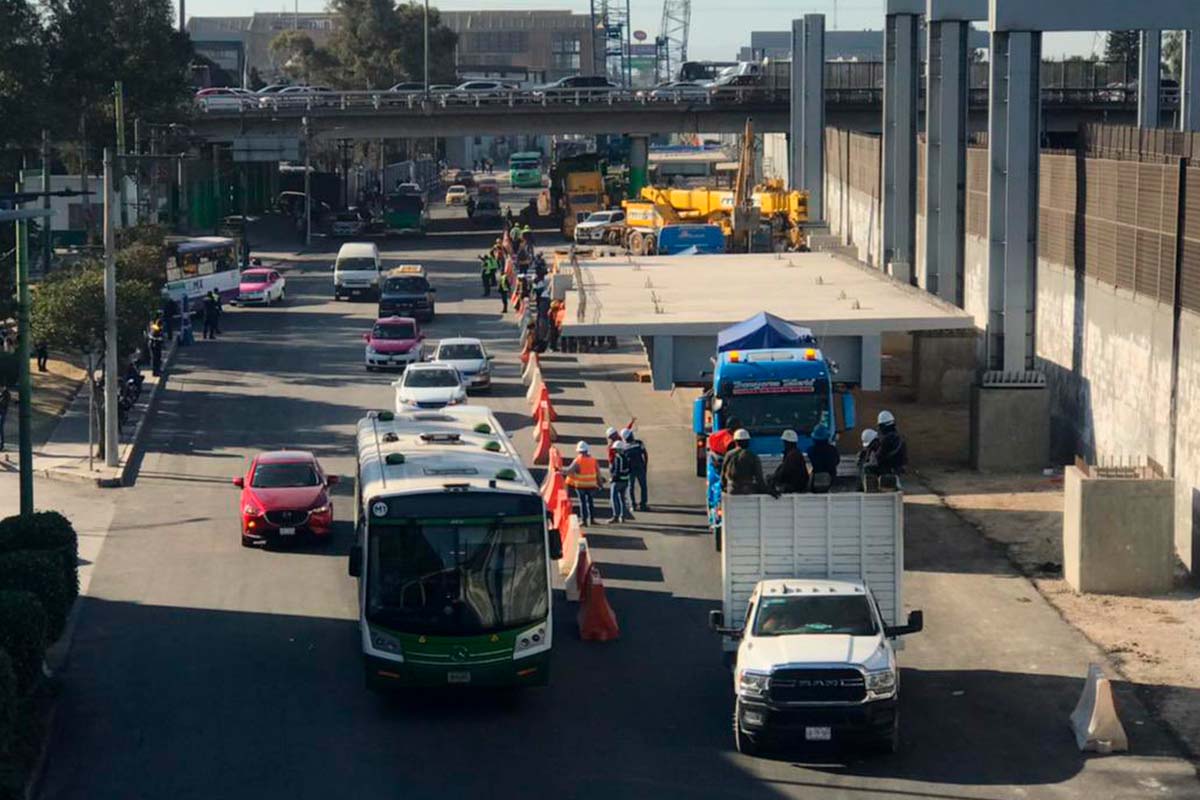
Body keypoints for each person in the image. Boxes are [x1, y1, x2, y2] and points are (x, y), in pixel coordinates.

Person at [722, 429, 773, 496]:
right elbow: (759, 478)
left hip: (732, 489)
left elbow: (723, 475)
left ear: (735, 441)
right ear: (747, 441)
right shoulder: (752, 456)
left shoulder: (729, 455)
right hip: (748, 489)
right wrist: (767, 491)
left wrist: (725, 488)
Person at [562, 441, 601, 525]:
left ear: (579, 451)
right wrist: (600, 484)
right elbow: (598, 473)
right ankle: (592, 519)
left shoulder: (578, 461)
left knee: (582, 503)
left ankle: (584, 521)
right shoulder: (593, 460)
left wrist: (559, 471)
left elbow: (569, 471)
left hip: (580, 486)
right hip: (591, 485)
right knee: (590, 502)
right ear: (587, 450)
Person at [771, 429, 810, 494]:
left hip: (795, 486)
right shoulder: (793, 454)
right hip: (796, 485)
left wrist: (774, 479)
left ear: (787, 442)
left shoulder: (793, 455)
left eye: (784, 442)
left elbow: (784, 472)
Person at [620, 428, 650, 511]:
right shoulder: (639, 443)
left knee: (630, 487)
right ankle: (643, 504)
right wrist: (645, 466)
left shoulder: (623, 447)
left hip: (630, 470)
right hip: (640, 468)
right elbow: (645, 454)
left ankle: (633, 505)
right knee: (643, 486)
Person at [807, 424, 841, 491]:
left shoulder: (811, 450)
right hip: (832, 481)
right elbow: (837, 461)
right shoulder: (833, 450)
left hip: (815, 481)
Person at [606, 440, 632, 524]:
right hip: (625, 480)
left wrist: (612, 478)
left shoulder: (618, 458)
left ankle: (615, 516)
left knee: (614, 498)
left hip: (618, 481)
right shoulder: (626, 457)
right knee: (622, 499)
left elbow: (617, 471)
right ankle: (622, 516)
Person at [0, 385, 10, 450]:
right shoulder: (2, 394)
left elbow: (3, 403)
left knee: (0, 427)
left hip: (2, 412)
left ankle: (1, 445)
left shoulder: (6, 394)